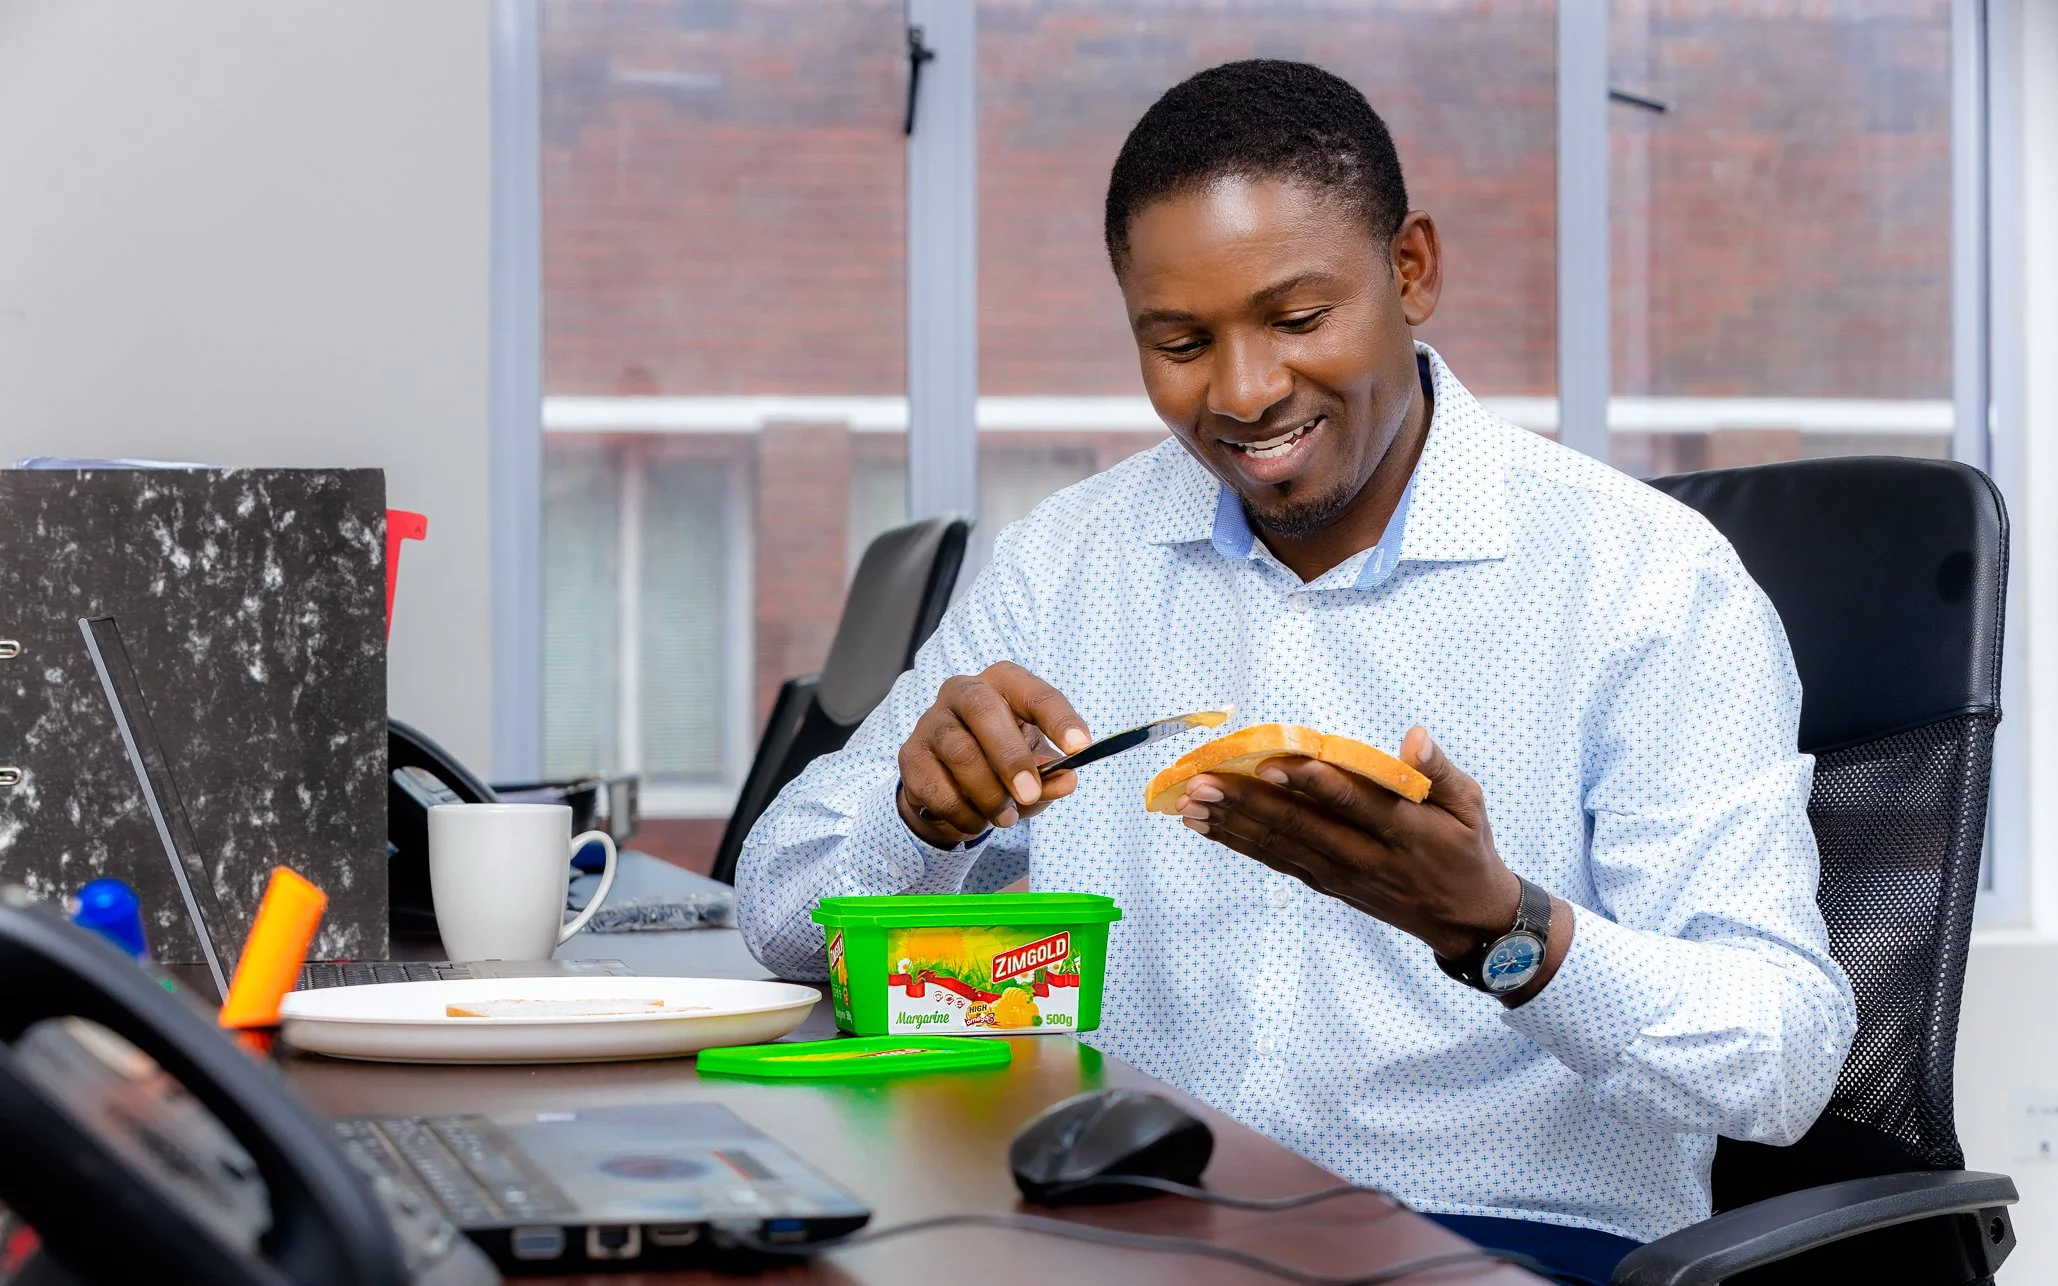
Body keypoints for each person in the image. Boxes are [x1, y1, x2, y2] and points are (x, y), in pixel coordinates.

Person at [738, 59, 1855, 1285]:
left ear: (1413, 269)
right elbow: (779, 914)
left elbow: (1787, 1056)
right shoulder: (1068, 563)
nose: (1245, 390)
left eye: (1298, 318)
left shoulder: (1645, 580)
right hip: (1125, 1224)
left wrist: (1499, 925)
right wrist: (916, 815)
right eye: (1179, 340)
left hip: (1495, 1235)